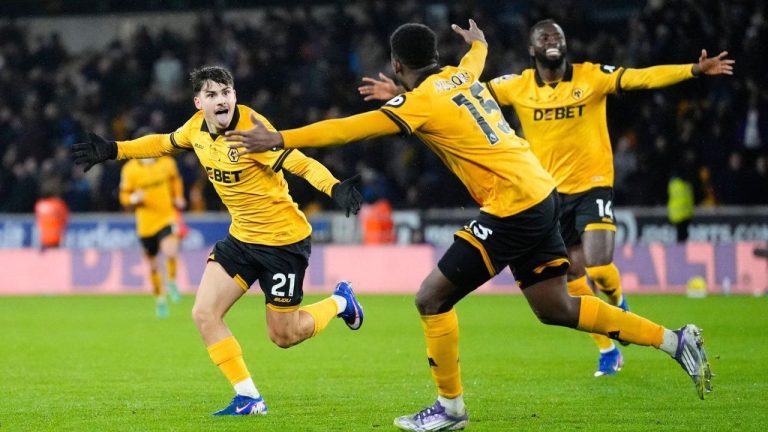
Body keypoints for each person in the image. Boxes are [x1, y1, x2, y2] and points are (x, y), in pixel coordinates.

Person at [222, 20, 712, 431]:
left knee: (430, 298)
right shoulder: (463, 74)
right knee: (556, 307)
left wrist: (279, 136)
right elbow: (477, 55)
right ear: (436, 54)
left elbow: (351, 127)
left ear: (396, 65)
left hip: (512, 205)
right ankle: (675, 339)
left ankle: (451, 409)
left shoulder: (420, 102)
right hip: (540, 192)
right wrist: (476, 40)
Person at [359, 18, 734, 378]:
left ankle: (620, 307)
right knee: (561, 297)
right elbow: (457, 98)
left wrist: (693, 70)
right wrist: (405, 97)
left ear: (566, 44)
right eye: (544, 37)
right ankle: (615, 348)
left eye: (557, 35)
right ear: (531, 48)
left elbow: (640, 78)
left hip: (587, 186)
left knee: (598, 268)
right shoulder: (517, 86)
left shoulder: (591, 76)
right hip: (546, 192)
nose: (551, 41)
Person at [71, 65, 365, 416]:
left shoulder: (253, 130)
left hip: (282, 241)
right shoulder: (195, 128)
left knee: (284, 336)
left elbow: (300, 163)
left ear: (235, 96)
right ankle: (249, 398)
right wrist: (114, 150)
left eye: (226, 92)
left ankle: (340, 302)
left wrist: (333, 186)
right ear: (199, 103)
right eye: (212, 94)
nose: (221, 100)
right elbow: (162, 143)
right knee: (204, 313)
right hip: (241, 238)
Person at [119, 155, 186, 318]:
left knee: (170, 251)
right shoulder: (130, 169)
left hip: (166, 217)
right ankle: (160, 299)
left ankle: (171, 282)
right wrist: (134, 198)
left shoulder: (167, 163)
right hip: (146, 224)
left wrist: (178, 196)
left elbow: (175, 180)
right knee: (154, 266)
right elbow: (124, 197)